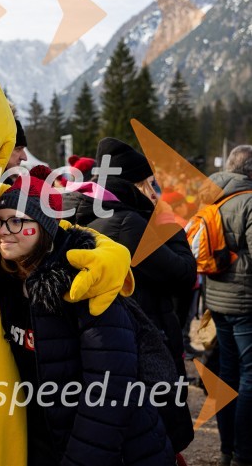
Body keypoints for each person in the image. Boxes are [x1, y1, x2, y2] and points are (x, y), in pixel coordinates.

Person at [0, 165, 176, 465]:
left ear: (44, 226)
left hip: (115, 450)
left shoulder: (85, 282)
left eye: (16, 221)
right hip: (49, 439)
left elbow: (111, 390)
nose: (2, 231)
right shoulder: (8, 282)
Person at [62, 137, 196, 453]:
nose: (154, 192)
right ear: (132, 185)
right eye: (148, 183)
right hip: (144, 338)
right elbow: (183, 274)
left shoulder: (81, 212)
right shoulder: (129, 222)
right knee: (153, 435)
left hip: (100, 341)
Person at [203, 145, 252, 466]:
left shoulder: (212, 196)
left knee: (227, 373)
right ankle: (244, 453)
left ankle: (226, 449)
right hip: (245, 302)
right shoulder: (249, 201)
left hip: (216, 299)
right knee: (249, 377)